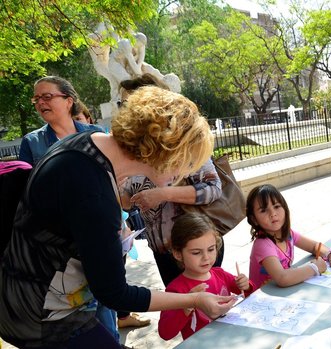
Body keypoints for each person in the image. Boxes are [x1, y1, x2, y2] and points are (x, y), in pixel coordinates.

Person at [0, 86, 237, 348]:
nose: (183, 172)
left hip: (29, 298)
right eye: (186, 161)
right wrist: (193, 300)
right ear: (164, 151)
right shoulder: (92, 191)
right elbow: (114, 293)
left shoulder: (82, 146)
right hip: (41, 316)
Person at [120, 75, 224, 289]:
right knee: (180, 310)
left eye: (130, 104)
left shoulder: (184, 141)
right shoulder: (129, 151)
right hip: (162, 250)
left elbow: (213, 188)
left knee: (207, 311)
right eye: (122, 104)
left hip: (197, 249)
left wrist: (163, 194)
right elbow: (126, 200)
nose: (124, 111)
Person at [158, 213, 254, 341]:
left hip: (229, 340)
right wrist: (187, 304)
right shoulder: (176, 289)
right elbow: (165, 333)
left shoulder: (220, 274)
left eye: (211, 249)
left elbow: (252, 297)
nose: (206, 257)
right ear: (178, 254)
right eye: (196, 252)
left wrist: (246, 286)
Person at [247, 184, 331, 288]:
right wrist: (315, 267)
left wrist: (329, 254)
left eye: (277, 206)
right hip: (261, 300)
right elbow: (282, 278)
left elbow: (314, 246)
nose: (273, 213)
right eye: (263, 210)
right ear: (254, 219)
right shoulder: (263, 244)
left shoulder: (288, 234)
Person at [18, 76, 102, 165]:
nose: (40, 102)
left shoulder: (97, 133)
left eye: (47, 97)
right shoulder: (31, 142)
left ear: (69, 101)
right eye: (36, 99)